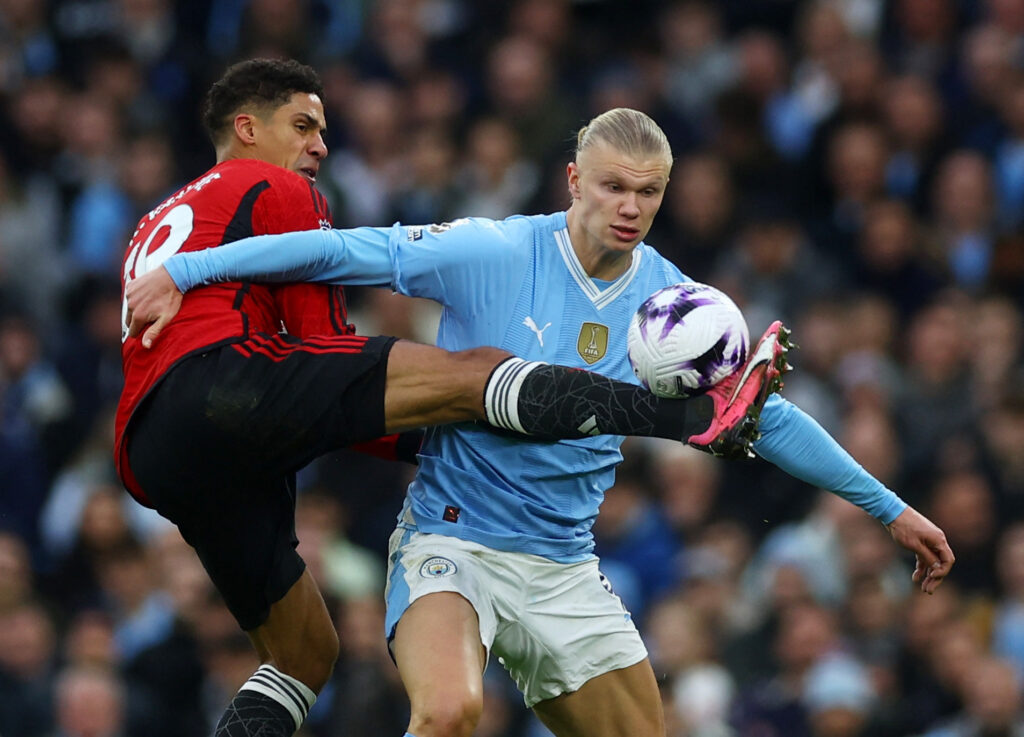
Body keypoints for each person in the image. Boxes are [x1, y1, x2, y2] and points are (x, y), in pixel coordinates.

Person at [126, 104, 954, 737]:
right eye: (613, 187)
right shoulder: (490, 250)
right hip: (453, 539)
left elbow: (758, 419)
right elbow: (342, 249)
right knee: (450, 713)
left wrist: (892, 507)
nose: (630, 208)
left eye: (649, 192)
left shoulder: (672, 307)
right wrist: (188, 269)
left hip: (563, 564)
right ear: (573, 181)